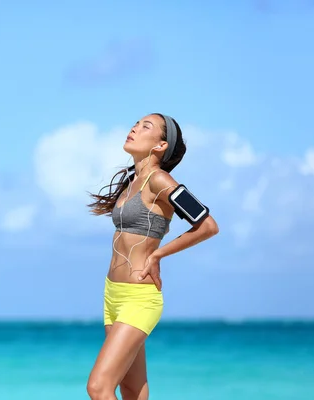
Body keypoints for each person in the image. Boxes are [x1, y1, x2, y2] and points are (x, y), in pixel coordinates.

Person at [85, 113, 219, 400]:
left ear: (160, 145)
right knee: (131, 389)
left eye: (146, 126)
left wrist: (158, 254)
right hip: (113, 295)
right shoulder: (132, 181)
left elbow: (207, 226)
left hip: (139, 298)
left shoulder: (160, 180)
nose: (134, 128)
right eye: (136, 123)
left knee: (98, 387)